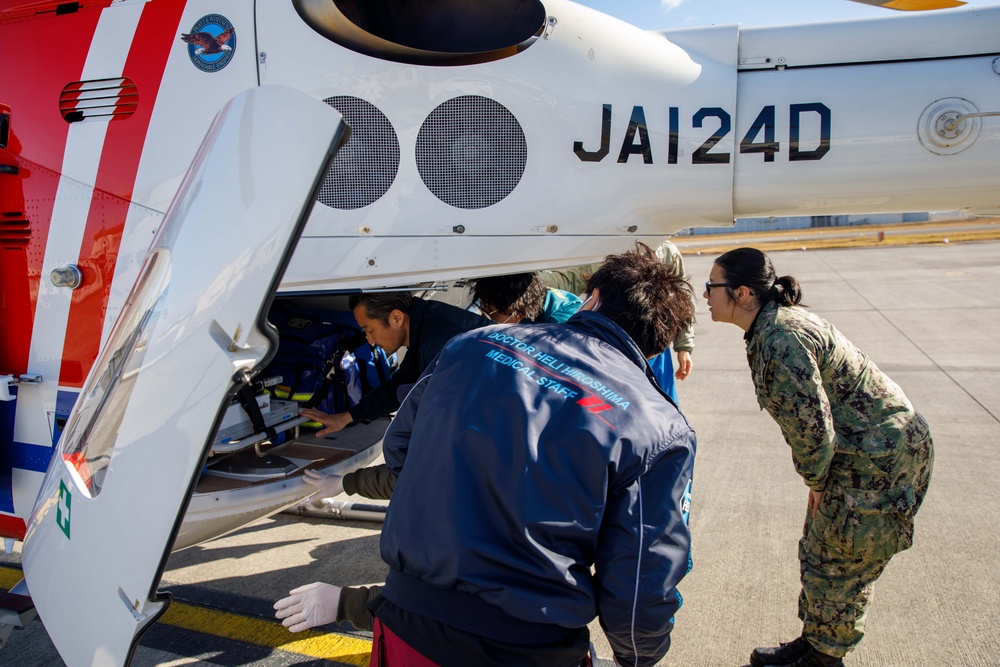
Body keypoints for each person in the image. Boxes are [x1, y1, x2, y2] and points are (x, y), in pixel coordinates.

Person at [276, 243, 698, 667]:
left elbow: (401, 450)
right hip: (525, 645)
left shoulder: (474, 343)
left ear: (593, 298)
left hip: (408, 626)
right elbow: (643, 577)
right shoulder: (660, 427)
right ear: (657, 344)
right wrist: (637, 656)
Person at [704, 247, 934, 667]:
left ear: (740, 293)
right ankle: (816, 644)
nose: (705, 295)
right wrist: (819, 480)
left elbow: (812, 429)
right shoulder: (772, 327)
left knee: (838, 562)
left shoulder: (779, 338)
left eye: (711, 286)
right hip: (863, 453)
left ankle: (825, 659)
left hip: (879, 460)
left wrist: (816, 481)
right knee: (822, 552)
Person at [300, 292, 489, 437]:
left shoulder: (439, 346)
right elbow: (403, 382)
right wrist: (347, 416)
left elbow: (451, 422)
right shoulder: (426, 322)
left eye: (370, 330)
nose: (370, 340)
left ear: (396, 318)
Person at [541, 239, 694, 403]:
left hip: (652, 348)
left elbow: (682, 300)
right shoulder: (600, 246)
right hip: (610, 343)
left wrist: (684, 345)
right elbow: (570, 279)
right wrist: (526, 278)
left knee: (659, 403)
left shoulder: (666, 250)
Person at [469, 272, 582, 324]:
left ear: (520, 314)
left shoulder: (564, 317)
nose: (484, 317)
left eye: (489, 313)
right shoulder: (519, 295)